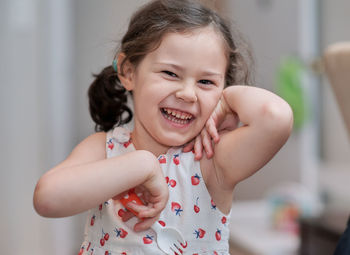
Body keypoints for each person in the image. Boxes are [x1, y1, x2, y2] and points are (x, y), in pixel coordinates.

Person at [33, 0, 293, 254]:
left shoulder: (212, 161)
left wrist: (226, 101)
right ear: (128, 72)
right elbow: (47, 200)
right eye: (170, 73)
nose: (188, 94)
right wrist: (142, 165)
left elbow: (275, 117)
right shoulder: (104, 149)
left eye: (206, 82)